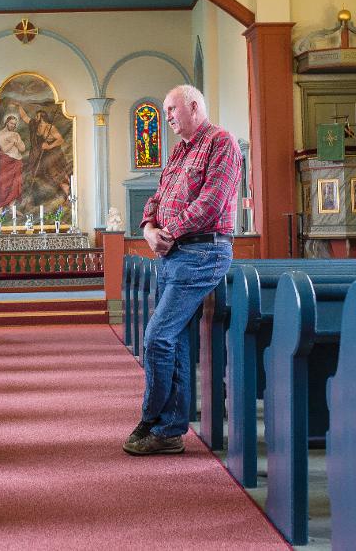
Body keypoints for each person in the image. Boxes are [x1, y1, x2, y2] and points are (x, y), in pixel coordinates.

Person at [123, 85, 242, 456]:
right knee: (171, 340)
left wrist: (168, 233)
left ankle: (152, 419)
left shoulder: (221, 143)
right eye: (165, 111)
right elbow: (157, 198)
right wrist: (148, 230)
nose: (168, 117)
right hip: (174, 254)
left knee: (157, 337)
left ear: (193, 106)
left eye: (172, 110)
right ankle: (170, 428)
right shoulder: (178, 151)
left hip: (204, 251)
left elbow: (212, 202)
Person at [19, 104, 71, 197]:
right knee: (43, 173)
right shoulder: (36, 126)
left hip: (53, 153)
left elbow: (61, 140)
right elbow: (24, 117)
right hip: (43, 154)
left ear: (41, 117)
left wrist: (49, 146)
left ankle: (68, 191)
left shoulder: (50, 127)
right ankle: (64, 191)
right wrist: (19, 106)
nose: (35, 118)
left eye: (37, 116)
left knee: (55, 173)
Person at [0, 113, 26, 211]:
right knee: (4, 184)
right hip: (6, 161)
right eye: (11, 123)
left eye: (14, 124)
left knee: (15, 184)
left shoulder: (16, 134)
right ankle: (0, 207)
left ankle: (12, 206)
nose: (13, 126)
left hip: (17, 160)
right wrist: (13, 142)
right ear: (7, 122)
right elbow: (4, 149)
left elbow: (22, 148)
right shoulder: (1, 134)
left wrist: (16, 142)